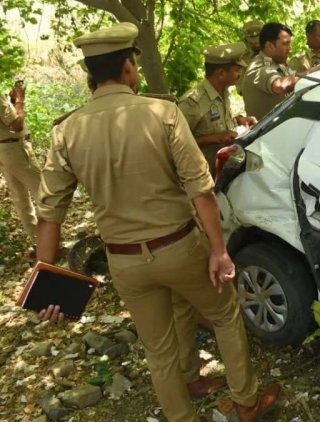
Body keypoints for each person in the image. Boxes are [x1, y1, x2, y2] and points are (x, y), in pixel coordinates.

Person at [35, 22, 280, 422]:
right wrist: (219, 251)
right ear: (130, 66)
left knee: (159, 346)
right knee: (224, 314)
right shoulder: (161, 113)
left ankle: (185, 398)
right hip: (180, 246)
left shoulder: (66, 131)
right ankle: (247, 403)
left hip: (124, 262)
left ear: (90, 75)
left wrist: (48, 282)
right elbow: (200, 189)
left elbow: (49, 213)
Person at [178, 42, 256, 175]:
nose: (240, 74)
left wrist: (239, 120)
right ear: (221, 74)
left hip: (225, 172)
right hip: (203, 176)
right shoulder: (193, 102)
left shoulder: (223, 91)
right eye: (237, 70)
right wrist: (214, 138)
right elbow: (176, 144)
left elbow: (220, 120)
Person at [241, 22, 320, 119]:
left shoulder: (279, 64)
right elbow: (281, 86)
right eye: (285, 44)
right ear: (270, 46)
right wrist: (313, 71)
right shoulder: (259, 67)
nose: (290, 49)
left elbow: (295, 84)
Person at [0, 80, 41, 243]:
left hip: (3, 151)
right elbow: (16, 124)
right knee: (42, 192)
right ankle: (52, 241)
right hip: (15, 149)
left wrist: (10, 102)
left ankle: (38, 242)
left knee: (20, 198)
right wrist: (20, 100)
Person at [237, 19, 263, 96]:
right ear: (246, 40)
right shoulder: (242, 59)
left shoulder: (274, 51)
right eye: (252, 42)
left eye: (258, 42)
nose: (256, 45)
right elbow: (241, 89)